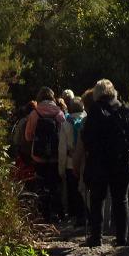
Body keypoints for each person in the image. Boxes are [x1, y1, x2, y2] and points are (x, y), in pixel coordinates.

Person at [80, 78, 129, 246]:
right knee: (121, 200)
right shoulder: (125, 109)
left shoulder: (95, 110)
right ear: (113, 92)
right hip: (121, 161)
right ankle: (122, 238)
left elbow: (87, 137)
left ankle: (96, 237)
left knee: (97, 199)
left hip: (99, 162)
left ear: (97, 94)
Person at [22, 86, 66, 222]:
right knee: (55, 184)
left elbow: (28, 137)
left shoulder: (35, 114)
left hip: (39, 156)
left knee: (42, 185)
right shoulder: (59, 113)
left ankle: (44, 213)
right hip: (55, 155)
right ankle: (57, 212)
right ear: (52, 97)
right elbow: (63, 134)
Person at [59, 88, 87, 225]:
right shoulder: (87, 120)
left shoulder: (65, 123)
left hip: (70, 163)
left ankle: (77, 217)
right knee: (86, 189)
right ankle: (88, 216)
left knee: (73, 191)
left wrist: (61, 168)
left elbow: (62, 148)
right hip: (86, 161)